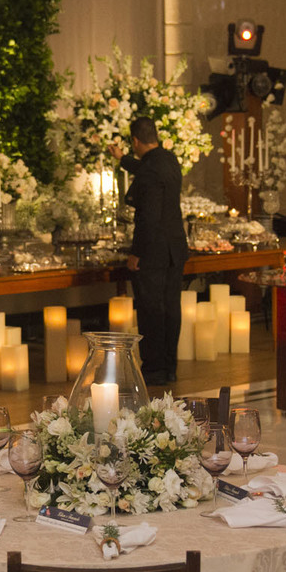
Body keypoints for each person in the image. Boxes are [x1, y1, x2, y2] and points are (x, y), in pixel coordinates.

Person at [108, 116, 188, 386]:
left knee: (151, 309)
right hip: (175, 248)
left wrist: (136, 253)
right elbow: (145, 166)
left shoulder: (149, 170)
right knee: (170, 308)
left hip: (153, 250)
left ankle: (154, 370)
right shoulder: (168, 160)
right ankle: (170, 367)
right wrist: (122, 159)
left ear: (135, 140)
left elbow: (148, 217)